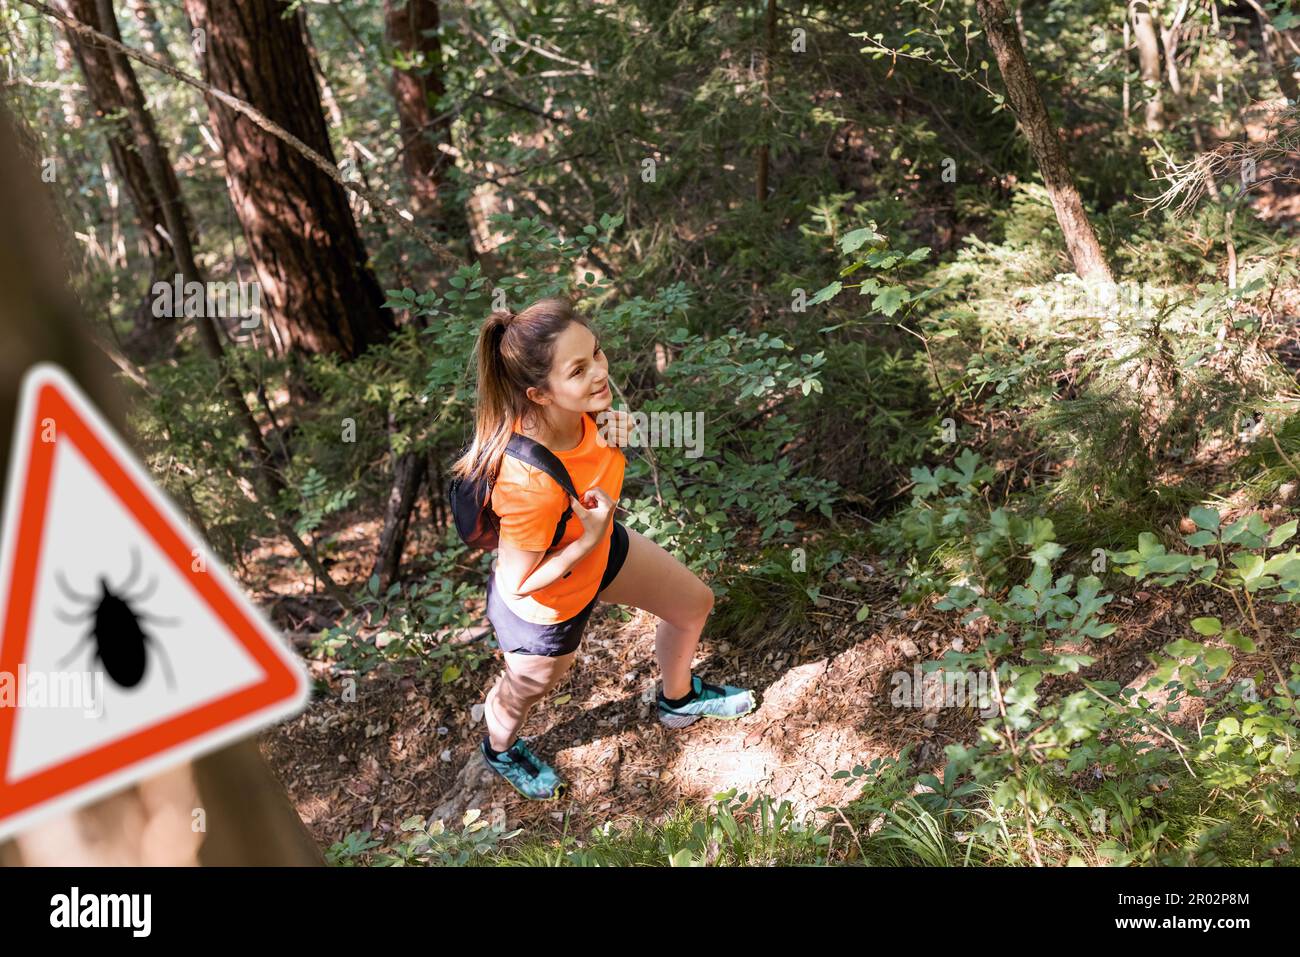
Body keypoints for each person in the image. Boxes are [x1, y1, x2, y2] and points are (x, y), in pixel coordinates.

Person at [450, 297, 756, 799]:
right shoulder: (526, 482)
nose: (598, 373)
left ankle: (678, 700)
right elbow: (518, 583)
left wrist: (615, 438)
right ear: (540, 394)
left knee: (693, 604)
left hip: (599, 552)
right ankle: (499, 749)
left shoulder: (588, 414)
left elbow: (596, 477)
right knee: (526, 690)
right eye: (578, 369)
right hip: (546, 606)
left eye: (596, 354)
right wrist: (590, 535)